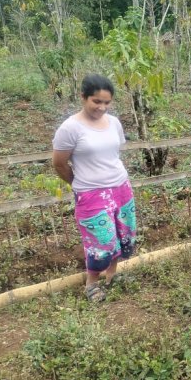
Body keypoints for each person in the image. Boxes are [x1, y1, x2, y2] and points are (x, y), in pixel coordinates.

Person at [52, 74, 137, 303]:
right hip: (91, 193)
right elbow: (59, 164)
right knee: (101, 241)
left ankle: (112, 274)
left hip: (120, 187)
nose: (101, 107)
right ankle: (92, 283)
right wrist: (80, 184)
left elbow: (113, 154)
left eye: (106, 103)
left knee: (122, 234)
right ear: (83, 97)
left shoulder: (114, 123)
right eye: (96, 102)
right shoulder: (70, 128)